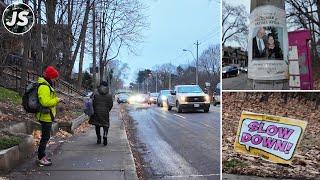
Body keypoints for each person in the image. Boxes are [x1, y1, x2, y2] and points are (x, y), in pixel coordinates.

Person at [36, 66, 61, 166]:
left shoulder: (47, 85)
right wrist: (57, 100)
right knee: (45, 137)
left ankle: (42, 156)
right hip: (45, 116)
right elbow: (45, 102)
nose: (55, 80)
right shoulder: (44, 87)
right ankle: (41, 157)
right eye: (54, 78)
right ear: (50, 77)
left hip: (47, 116)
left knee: (45, 137)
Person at [89, 81, 113, 146]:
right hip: (105, 112)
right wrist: (108, 110)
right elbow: (111, 104)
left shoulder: (95, 92)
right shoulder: (109, 94)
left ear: (100, 85)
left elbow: (91, 101)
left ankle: (99, 139)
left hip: (96, 111)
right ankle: (105, 135)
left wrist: (94, 109)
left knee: (97, 125)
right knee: (106, 125)